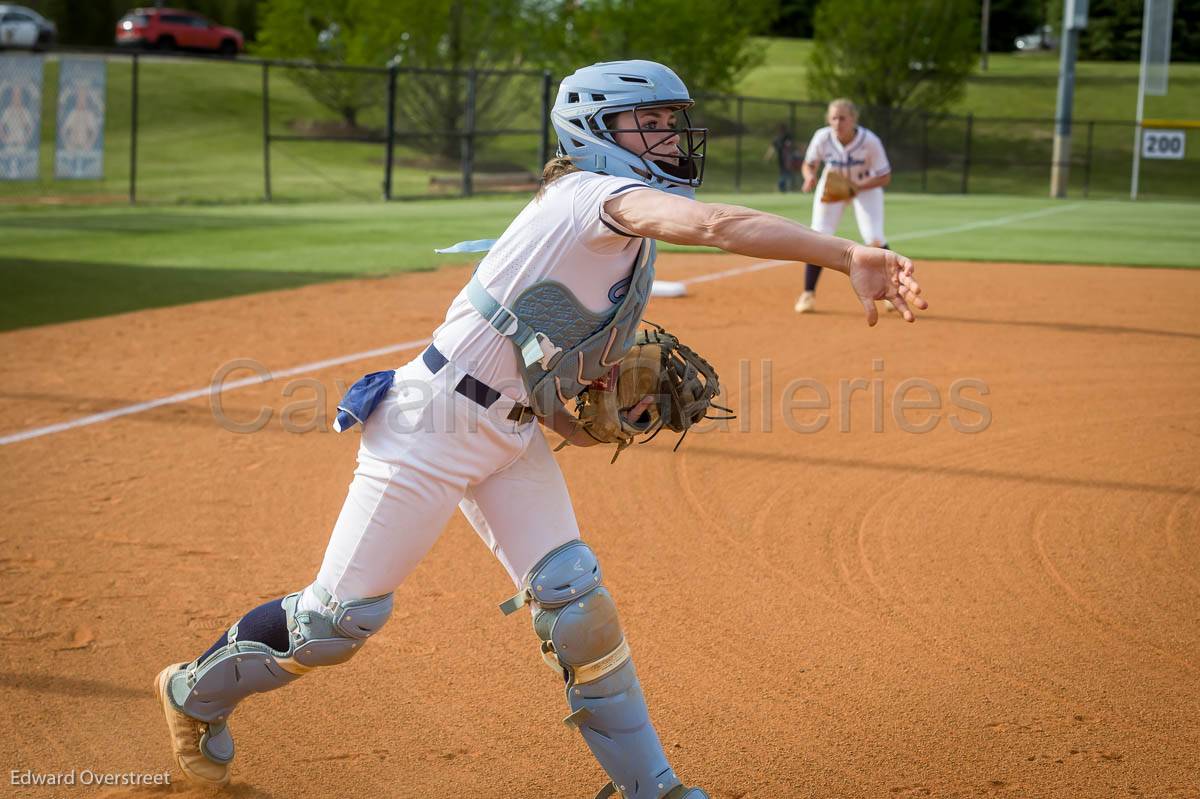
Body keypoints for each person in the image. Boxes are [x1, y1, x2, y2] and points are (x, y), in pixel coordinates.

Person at [154, 60, 926, 799]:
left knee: (578, 604)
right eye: (647, 121)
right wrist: (845, 250)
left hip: (508, 430)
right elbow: (718, 224)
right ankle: (193, 690)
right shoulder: (594, 197)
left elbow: (553, 387)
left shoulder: (628, 248)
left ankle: (650, 787)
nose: (668, 136)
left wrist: (592, 419)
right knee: (335, 621)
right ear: (593, 131)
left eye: (672, 121)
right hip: (431, 420)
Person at [795, 98, 893, 314]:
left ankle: (891, 290)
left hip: (865, 187)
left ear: (853, 119)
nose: (837, 122)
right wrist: (809, 176)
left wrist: (857, 186)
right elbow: (809, 164)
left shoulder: (869, 141)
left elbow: (885, 176)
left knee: (874, 238)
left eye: (842, 118)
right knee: (818, 237)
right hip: (833, 187)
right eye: (833, 118)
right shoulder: (823, 137)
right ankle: (808, 294)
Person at [762, 122, 796, 193]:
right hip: (784, 159)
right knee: (785, 173)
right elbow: (773, 148)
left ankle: (784, 188)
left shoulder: (785, 137)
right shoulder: (780, 138)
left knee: (786, 173)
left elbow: (772, 149)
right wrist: (767, 157)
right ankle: (782, 187)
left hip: (785, 158)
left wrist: (767, 157)